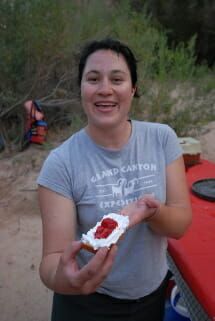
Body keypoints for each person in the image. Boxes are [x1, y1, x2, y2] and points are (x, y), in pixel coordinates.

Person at [37, 38, 192, 321]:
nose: (105, 89)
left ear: (133, 88)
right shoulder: (60, 163)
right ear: (81, 88)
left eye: (117, 79)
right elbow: (51, 261)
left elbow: (180, 225)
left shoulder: (162, 139)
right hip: (86, 303)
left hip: (151, 296)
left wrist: (151, 212)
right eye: (93, 78)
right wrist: (66, 280)